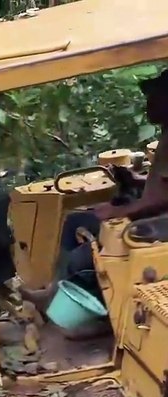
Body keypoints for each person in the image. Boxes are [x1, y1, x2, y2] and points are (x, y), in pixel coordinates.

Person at [23, 67, 168, 312]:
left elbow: (162, 197)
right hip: (158, 216)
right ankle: (55, 290)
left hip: (161, 224)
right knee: (76, 222)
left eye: (155, 96)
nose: (148, 104)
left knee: (83, 253)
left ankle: (83, 308)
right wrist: (136, 181)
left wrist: (116, 212)